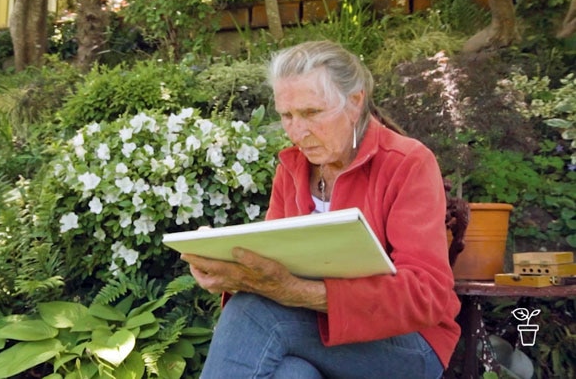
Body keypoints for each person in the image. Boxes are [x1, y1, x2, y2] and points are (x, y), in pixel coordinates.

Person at [181, 40, 460, 379]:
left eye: (311, 113)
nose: (298, 132)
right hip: (315, 335)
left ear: (355, 102)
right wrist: (229, 267)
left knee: (254, 312)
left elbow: (426, 295)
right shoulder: (292, 168)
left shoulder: (408, 163)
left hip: (410, 347)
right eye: (287, 116)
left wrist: (298, 292)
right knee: (291, 375)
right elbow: (276, 267)